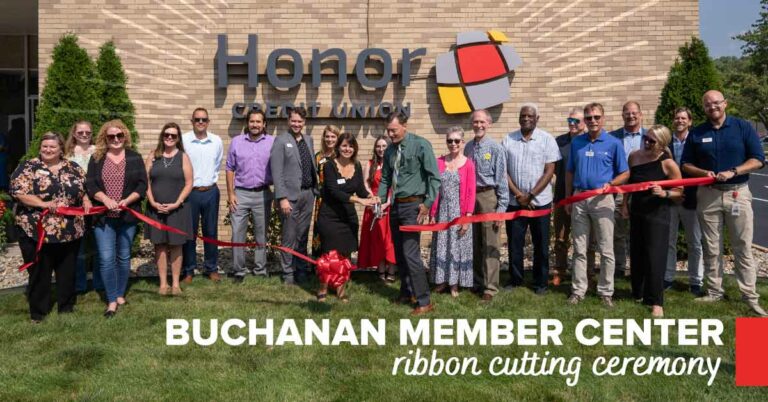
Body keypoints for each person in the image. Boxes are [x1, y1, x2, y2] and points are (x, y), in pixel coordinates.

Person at [681, 90, 767, 316]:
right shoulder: (697, 132)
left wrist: (734, 171)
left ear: (725, 104)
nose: (712, 107)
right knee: (711, 246)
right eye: (708, 105)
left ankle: (749, 295)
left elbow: (758, 159)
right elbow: (686, 164)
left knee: (742, 246)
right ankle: (714, 291)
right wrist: (703, 172)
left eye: (716, 103)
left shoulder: (742, 127)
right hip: (708, 195)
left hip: (737, 192)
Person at [11, 132, 89, 323]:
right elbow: (18, 192)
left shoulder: (73, 167)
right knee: (40, 272)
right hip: (36, 230)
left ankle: (66, 307)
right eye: (44, 146)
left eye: (52, 147)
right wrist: (43, 204)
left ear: (61, 149)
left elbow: (84, 189)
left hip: (70, 230)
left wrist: (86, 199)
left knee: (67, 270)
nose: (47, 149)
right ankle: (38, 313)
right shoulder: (29, 167)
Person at [565, 103, 629, 307]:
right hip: (579, 198)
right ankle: (578, 290)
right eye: (589, 117)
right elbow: (569, 172)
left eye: (596, 117)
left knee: (606, 248)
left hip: (603, 200)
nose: (593, 121)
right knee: (579, 248)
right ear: (584, 120)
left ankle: (605, 292)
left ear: (603, 118)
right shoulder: (577, 143)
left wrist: (611, 184)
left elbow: (625, 173)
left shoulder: (613, 143)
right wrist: (568, 198)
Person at [377, 111, 441, 315]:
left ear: (405, 126)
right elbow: (386, 178)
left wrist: (428, 203)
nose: (390, 134)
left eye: (394, 130)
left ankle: (424, 301)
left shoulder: (421, 145)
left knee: (411, 253)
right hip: (395, 206)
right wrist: (379, 198)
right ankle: (407, 293)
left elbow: (434, 177)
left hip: (414, 206)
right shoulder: (389, 152)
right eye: (388, 131)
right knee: (400, 254)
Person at [86, 119, 147, 318]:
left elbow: (141, 185)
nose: (115, 139)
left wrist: (127, 201)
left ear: (125, 136)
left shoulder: (135, 158)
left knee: (124, 257)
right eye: (111, 136)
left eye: (119, 135)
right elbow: (91, 185)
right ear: (105, 138)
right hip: (103, 218)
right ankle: (111, 300)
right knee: (105, 258)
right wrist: (104, 199)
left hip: (127, 216)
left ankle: (120, 293)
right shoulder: (96, 158)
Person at [620, 125, 682, 318]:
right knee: (637, 252)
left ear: (662, 144)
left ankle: (656, 302)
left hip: (658, 213)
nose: (647, 143)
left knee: (655, 256)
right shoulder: (634, 156)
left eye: (652, 141)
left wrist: (664, 193)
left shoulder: (668, 163)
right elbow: (629, 185)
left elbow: (680, 192)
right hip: (637, 211)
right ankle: (638, 292)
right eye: (645, 139)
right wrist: (624, 205)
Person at [502, 104, 561, 295]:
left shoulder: (547, 140)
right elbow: (503, 171)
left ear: (537, 118)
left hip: (540, 202)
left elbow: (549, 170)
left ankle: (540, 283)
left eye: (530, 116)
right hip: (515, 202)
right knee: (515, 244)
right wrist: (519, 195)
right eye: (523, 115)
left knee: (541, 244)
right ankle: (516, 279)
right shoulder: (508, 140)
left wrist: (531, 195)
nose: (526, 118)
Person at [316, 133, 376, 301]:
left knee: (345, 255)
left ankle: (340, 290)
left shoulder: (356, 166)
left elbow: (360, 189)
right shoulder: (329, 166)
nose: (347, 149)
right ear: (338, 147)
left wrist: (371, 197)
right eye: (344, 145)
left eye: (350, 146)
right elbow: (334, 191)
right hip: (330, 216)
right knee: (329, 255)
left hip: (348, 218)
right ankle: (323, 288)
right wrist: (359, 200)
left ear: (354, 148)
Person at [463, 109, 508, 301]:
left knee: (490, 242)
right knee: (474, 242)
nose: (479, 125)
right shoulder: (467, 148)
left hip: (489, 196)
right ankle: (477, 281)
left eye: (482, 122)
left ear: (488, 124)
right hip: (471, 198)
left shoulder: (496, 148)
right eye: (475, 122)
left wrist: (501, 210)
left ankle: (490, 288)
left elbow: (502, 180)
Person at [145, 123, 193, 296]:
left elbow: (189, 183)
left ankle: (175, 284)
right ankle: (163, 283)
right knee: (160, 246)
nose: (170, 138)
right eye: (167, 134)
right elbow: (146, 182)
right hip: (155, 209)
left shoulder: (183, 157)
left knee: (176, 245)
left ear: (178, 138)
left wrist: (177, 202)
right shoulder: (153, 156)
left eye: (173, 135)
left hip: (177, 209)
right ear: (162, 136)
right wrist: (152, 202)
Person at [226, 109, 274, 283]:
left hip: (263, 194)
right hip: (241, 194)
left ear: (264, 124)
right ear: (247, 123)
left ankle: (260, 269)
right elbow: (230, 168)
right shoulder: (237, 142)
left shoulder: (272, 142)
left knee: (261, 233)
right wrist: (231, 193)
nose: (255, 125)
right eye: (252, 121)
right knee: (238, 232)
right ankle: (239, 270)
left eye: (258, 122)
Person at [270, 106, 317, 285]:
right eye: (294, 121)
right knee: (289, 236)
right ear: (288, 121)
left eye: (300, 121)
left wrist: (314, 190)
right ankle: (287, 274)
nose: (297, 124)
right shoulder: (281, 141)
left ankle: (301, 270)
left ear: (304, 122)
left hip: (308, 194)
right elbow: (277, 171)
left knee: (303, 235)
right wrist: (281, 197)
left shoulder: (309, 140)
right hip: (289, 198)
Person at [429, 126, 476, 298]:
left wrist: (467, 217)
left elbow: (471, 192)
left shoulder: (468, 164)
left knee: (456, 248)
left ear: (463, 142)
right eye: (450, 140)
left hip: (459, 212)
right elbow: (434, 188)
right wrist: (432, 211)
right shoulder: (439, 162)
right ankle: (441, 281)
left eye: (457, 141)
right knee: (442, 246)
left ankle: (454, 283)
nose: (453, 144)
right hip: (442, 211)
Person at [552, 108, 596, 286]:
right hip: (562, 196)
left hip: (585, 196)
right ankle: (560, 270)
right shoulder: (559, 142)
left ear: (584, 123)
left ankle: (589, 273)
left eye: (576, 121)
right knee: (561, 237)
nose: (572, 124)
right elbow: (553, 167)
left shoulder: (589, 141)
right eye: (570, 120)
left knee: (587, 239)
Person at [665, 107, 705, 295]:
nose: (679, 120)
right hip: (670, 199)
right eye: (676, 117)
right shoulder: (665, 143)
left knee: (695, 242)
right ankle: (668, 277)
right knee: (669, 241)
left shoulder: (696, 141)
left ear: (689, 121)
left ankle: (696, 281)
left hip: (692, 199)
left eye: (683, 118)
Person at [181, 107, 224, 283]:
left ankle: (211, 268)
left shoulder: (216, 141)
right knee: (189, 233)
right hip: (191, 192)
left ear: (208, 122)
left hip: (210, 191)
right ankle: (189, 270)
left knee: (211, 231)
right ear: (192, 121)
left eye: (204, 120)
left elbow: (218, 163)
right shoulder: (183, 140)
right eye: (197, 119)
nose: (200, 122)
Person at [609, 101, 646, 278]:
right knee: (618, 232)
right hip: (619, 190)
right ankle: (620, 268)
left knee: (641, 231)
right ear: (622, 115)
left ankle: (640, 267)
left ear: (640, 114)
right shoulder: (612, 137)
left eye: (634, 113)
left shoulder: (649, 137)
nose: (631, 116)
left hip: (643, 191)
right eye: (627, 113)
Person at [64, 120, 102, 294]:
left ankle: (99, 282)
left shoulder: (99, 152)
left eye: (88, 132)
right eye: (80, 132)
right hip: (75, 205)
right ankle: (79, 284)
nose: (84, 135)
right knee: (77, 247)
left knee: (99, 244)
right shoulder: (67, 154)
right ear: (74, 133)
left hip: (98, 203)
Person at [359, 135, 397, 281]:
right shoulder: (370, 164)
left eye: (384, 146)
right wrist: (374, 200)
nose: (381, 149)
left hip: (389, 206)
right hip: (374, 206)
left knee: (390, 240)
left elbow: (394, 186)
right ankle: (380, 270)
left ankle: (392, 271)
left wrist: (387, 202)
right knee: (377, 240)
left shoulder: (394, 164)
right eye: (378, 146)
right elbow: (366, 184)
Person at [311, 125, 340, 258]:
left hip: (338, 199)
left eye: (333, 136)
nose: (330, 139)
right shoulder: (318, 156)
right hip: (322, 200)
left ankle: (338, 263)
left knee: (336, 229)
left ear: (338, 138)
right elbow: (313, 177)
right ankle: (319, 264)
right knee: (321, 228)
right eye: (327, 136)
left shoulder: (341, 155)